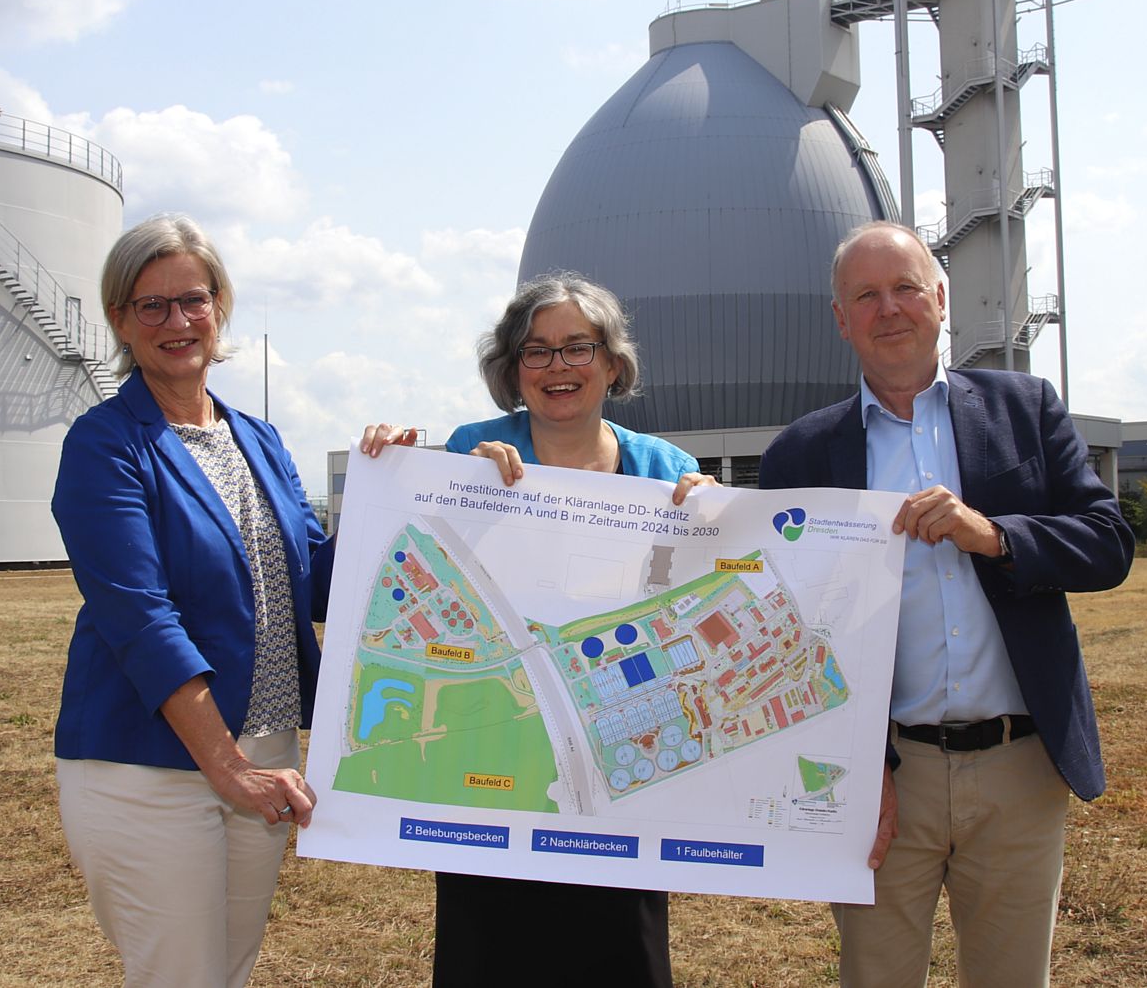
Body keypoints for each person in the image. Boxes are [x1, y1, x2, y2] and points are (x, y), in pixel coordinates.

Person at [759, 222, 1133, 987]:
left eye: (904, 288)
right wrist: (858, 766)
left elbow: (1108, 543)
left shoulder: (1024, 408)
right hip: (885, 773)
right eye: (865, 295)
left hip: (1019, 763)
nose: (888, 308)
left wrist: (992, 533)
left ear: (939, 297)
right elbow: (784, 625)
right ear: (840, 317)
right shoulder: (801, 453)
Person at [359, 271, 714, 988]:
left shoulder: (665, 468)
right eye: (537, 351)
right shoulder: (471, 449)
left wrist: (717, 516)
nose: (559, 368)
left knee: (623, 958)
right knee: (492, 956)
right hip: (498, 769)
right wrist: (399, 469)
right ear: (512, 369)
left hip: (619, 768)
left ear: (613, 363)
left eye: (578, 348)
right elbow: (402, 556)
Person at [51, 214, 333, 987]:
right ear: (119, 319)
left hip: (267, 752)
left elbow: (319, 573)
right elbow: (140, 616)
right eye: (152, 305)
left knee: (228, 971)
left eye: (194, 300)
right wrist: (226, 764)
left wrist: (403, 496)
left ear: (220, 307)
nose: (178, 321)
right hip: (149, 769)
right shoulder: (105, 444)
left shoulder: (261, 439)